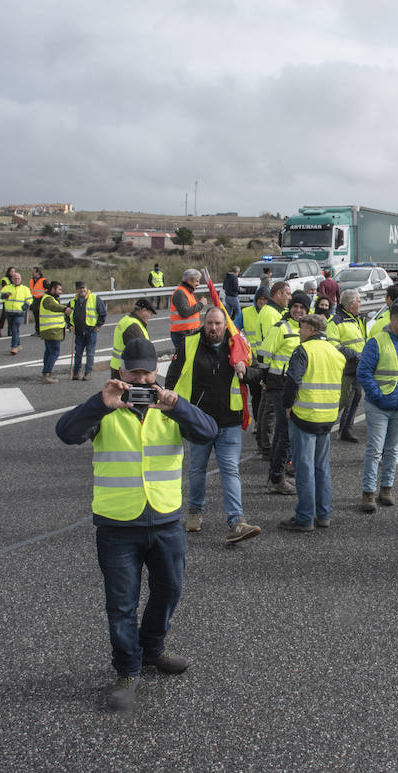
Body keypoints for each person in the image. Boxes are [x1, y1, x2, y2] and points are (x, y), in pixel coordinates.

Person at [54, 336, 218, 715]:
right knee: (121, 603)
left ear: (155, 372)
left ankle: (152, 648)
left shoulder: (169, 407)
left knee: (170, 589)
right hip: (117, 523)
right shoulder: (106, 409)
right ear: (122, 372)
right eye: (134, 373)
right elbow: (65, 433)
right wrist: (100, 402)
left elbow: (208, 432)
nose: (142, 381)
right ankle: (127, 670)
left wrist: (178, 408)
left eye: (147, 372)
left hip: (165, 520)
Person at [166, 307, 262, 544]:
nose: (213, 328)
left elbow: (260, 372)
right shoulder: (189, 344)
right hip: (199, 420)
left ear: (225, 325)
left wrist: (245, 371)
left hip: (229, 420)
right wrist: (173, 407)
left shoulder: (238, 344)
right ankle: (195, 512)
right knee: (197, 469)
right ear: (204, 323)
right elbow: (172, 377)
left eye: (218, 324)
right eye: (209, 323)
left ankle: (236, 521)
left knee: (230, 470)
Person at [279, 314, 346, 531]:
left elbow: (293, 380)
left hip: (305, 417)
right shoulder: (336, 353)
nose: (299, 332)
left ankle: (305, 517)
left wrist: (287, 406)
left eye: (301, 328)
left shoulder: (303, 351)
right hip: (327, 418)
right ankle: (324, 514)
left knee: (305, 468)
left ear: (309, 329)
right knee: (322, 468)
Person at [356, 299, 398, 512]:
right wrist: (377, 395)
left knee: (392, 450)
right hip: (379, 406)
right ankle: (368, 493)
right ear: (393, 319)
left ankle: (386, 489)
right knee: (375, 450)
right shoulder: (376, 342)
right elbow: (363, 372)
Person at [259, 286, 306, 495]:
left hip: (295, 387)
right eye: (295, 306)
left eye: (302, 307)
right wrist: (264, 378)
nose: (298, 310)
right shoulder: (281, 327)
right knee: (285, 432)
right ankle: (277, 478)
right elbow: (263, 355)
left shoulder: (306, 330)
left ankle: (275, 476)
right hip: (278, 385)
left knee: (282, 431)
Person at [252, 283, 289, 455]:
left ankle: (263, 442)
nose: (289, 297)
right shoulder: (270, 314)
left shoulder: (273, 312)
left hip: (273, 369)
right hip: (272, 370)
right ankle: (266, 445)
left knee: (266, 406)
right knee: (270, 409)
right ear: (279, 293)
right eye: (287, 294)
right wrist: (265, 374)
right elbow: (270, 346)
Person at [327, 288, 368, 443]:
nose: (360, 304)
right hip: (345, 367)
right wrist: (353, 355)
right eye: (358, 301)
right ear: (351, 304)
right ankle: (324, 426)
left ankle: (346, 429)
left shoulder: (357, 319)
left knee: (356, 395)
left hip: (358, 366)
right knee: (342, 400)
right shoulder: (336, 321)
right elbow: (333, 344)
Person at [70, 280, 108, 381]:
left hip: (91, 331)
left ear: (86, 288)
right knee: (78, 353)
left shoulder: (94, 298)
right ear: (76, 290)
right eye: (79, 288)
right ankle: (76, 373)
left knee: (90, 353)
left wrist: (98, 325)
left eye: (83, 288)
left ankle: (88, 373)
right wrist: (69, 325)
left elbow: (103, 313)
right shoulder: (73, 301)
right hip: (78, 331)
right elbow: (68, 314)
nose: (82, 290)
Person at [109, 298, 157, 380]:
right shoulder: (134, 326)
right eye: (150, 314)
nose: (150, 317)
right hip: (128, 370)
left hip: (118, 367)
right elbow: (141, 352)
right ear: (143, 310)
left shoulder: (126, 320)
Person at [169, 268, 205, 357]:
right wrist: (201, 304)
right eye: (196, 281)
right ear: (189, 281)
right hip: (182, 334)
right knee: (184, 361)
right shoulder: (180, 293)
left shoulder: (188, 292)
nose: (198, 284)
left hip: (188, 332)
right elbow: (184, 312)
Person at [37, 280, 67, 383]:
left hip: (50, 330)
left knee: (49, 352)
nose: (60, 292)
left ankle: (46, 372)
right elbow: (54, 307)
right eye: (59, 289)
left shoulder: (50, 298)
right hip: (52, 331)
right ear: (53, 289)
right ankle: (46, 374)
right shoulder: (48, 299)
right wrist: (65, 309)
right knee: (54, 352)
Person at [0, 269, 33, 355]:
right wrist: (5, 295)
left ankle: (14, 347)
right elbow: (0, 296)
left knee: (14, 329)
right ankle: (18, 344)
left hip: (19, 313)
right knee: (14, 330)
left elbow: (30, 299)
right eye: (15, 278)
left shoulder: (25, 289)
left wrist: (25, 306)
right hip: (9, 312)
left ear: (20, 279)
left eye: (18, 278)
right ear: (12, 279)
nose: (17, 280)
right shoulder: (7, 288)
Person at [0, 267, 14, 337]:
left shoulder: (14, 279)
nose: (13, 273)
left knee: (11, 316)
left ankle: (9, 331)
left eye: (14, 271)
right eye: (12, 271)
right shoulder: (5, 279)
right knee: (3, 316)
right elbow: (5, 288)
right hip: (6, 300)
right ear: (8, 272)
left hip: (12, 300)